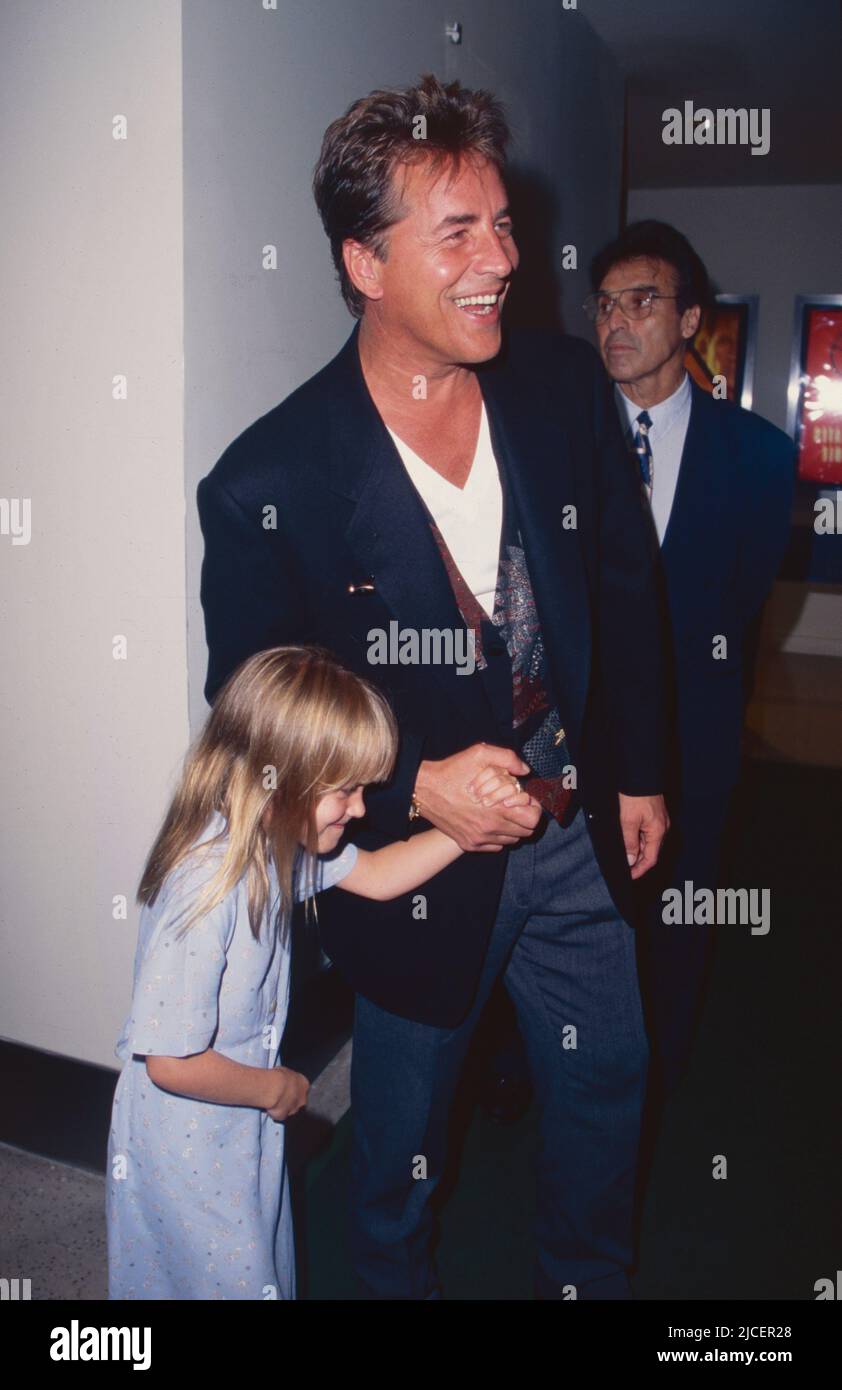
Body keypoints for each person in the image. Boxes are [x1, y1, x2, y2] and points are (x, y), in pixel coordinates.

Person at [198, 74, 669, 1300]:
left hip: (575, 835)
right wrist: (414, 779)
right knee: (398, 1164)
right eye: (455, 232)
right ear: (362, 262)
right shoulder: (272, 474)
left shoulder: (561, 389)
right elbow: (252, 709)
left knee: (603, 1095)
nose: (500, 258)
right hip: (411, 872)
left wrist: (643, 773)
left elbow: (624, 592)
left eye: (503, 223)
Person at [106, 644, 538, 1300]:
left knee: (255, 1260)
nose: (361, 810)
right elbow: (169, 1061)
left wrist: (469, 831)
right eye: (347, 791)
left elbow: (381, 874)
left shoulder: (276, 840)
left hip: (235, 1121)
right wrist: (272, 1087)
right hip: (186, 1143)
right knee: (220, 1275)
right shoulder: (207, 887)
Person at [586, 219, 795, 1099]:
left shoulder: (759, 458)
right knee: (581, 918)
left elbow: (740, 603)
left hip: (696, 743)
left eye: (642, 301)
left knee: (678, 918)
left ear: (690, 321)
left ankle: (658, 1075)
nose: (616, 323)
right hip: (585, 740)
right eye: (603, 305)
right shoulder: (562, 440)